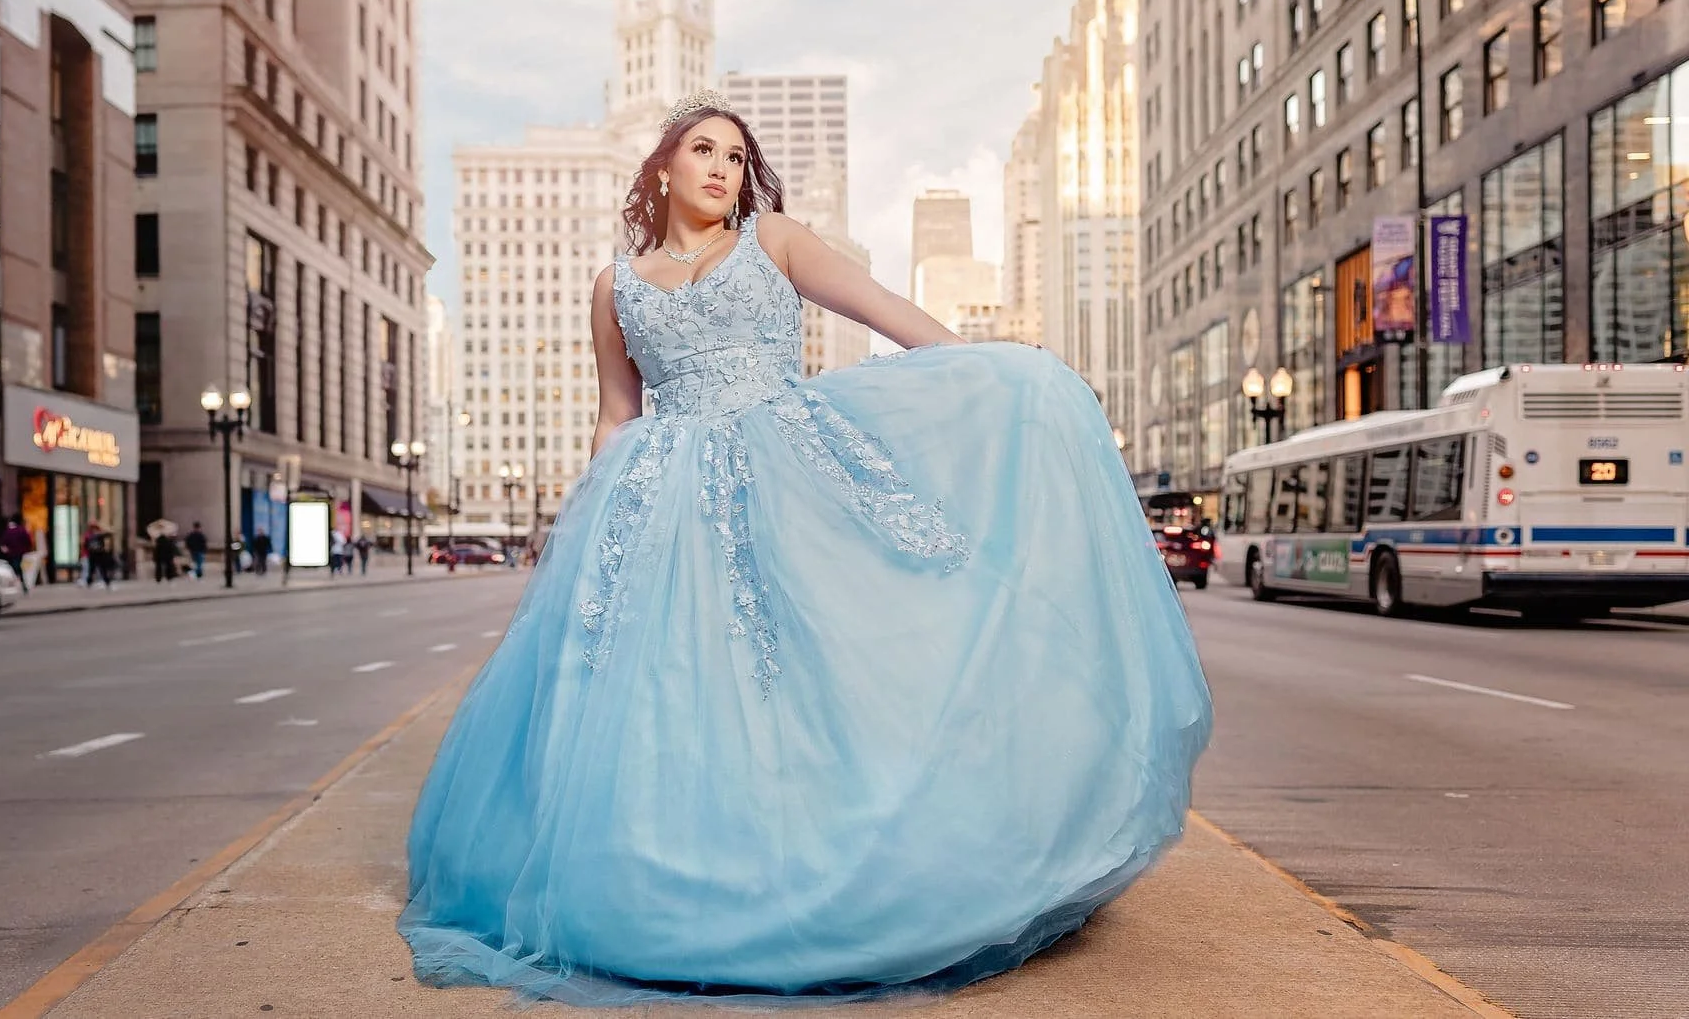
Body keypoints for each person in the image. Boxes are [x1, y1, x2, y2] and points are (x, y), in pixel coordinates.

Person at [398, 90, 1211, 1005]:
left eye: (736, 157)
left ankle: (848, 866)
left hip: (790, 469)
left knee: (824, 670)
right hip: (659, 496)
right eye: (701, 149)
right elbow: (617, 414)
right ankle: (679, 884)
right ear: (661, 168)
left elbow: (882, 307)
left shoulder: (775, 241)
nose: (719, 167)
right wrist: (589, 524)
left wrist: (993, 371)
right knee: (680, 691)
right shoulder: (614, 286)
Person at [0, 514, 34, 594]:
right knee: (18, 568)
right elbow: (28, 541)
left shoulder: (8, 531)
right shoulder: (21, 530)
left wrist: (5, 549)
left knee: (15, 568)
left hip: (11, 553)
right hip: (20, 553)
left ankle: (18, 584)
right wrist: (28, 549)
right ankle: (22, 585)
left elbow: (3, 542)